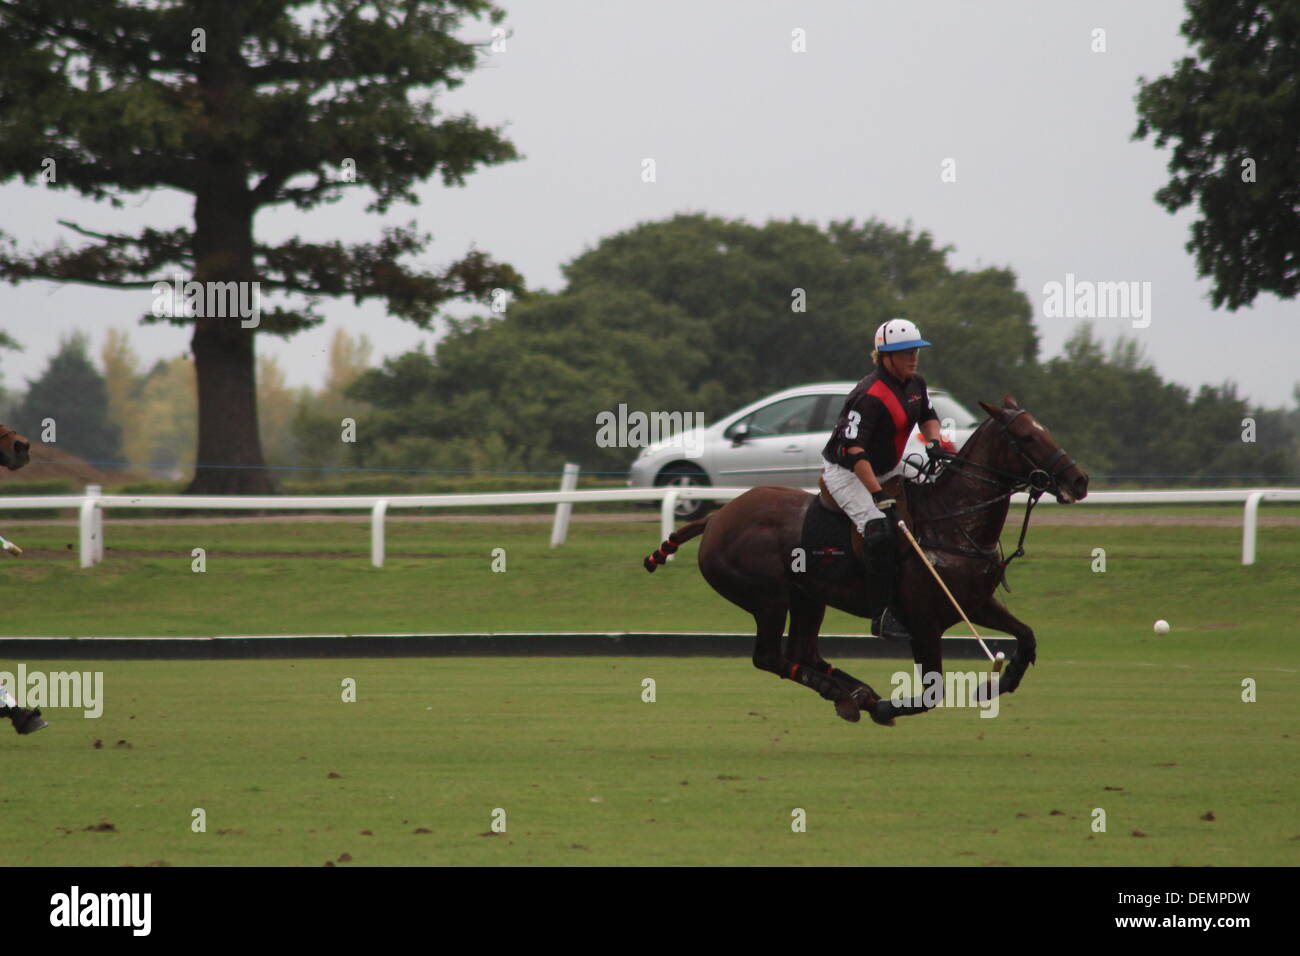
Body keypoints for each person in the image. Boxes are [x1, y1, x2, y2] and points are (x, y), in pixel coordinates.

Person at [821, 318, 948, 642]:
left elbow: (929, 417)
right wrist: (877, 494)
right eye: (905, 352)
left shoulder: (916, 383)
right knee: (878, 530)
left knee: (936, 493)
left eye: (915, 350)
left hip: (888, 465)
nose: (913, 357)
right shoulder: (869, 394)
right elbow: (853, 450)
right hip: (848, 470)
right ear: (885, 356)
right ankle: (882, 613)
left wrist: (933, 443)